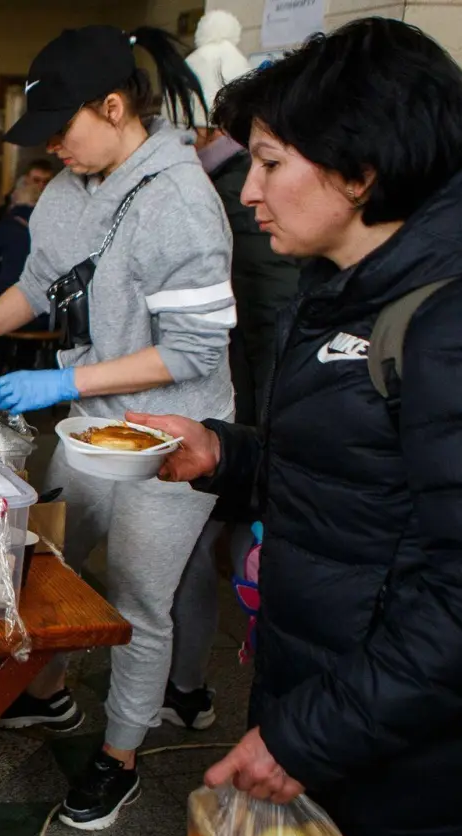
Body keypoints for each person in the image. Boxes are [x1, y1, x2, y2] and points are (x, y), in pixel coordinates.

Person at [135, 19, 462, 836]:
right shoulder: (352, 289)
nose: (249, 191)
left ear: (360, 173)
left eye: (271, 162)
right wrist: (225, 454)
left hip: (432, 780)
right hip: (355, 718)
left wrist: (307, 735)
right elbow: (361, 479)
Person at [0, 25, 231, 831]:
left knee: (139, 600)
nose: (52, 149)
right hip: (93, 426)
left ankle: (118, 758)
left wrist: (66, 377)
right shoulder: (71, 187)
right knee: (48, 566)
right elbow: (40, 286)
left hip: (173, 433)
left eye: (61, 130)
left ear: (114, 107)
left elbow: (189, 350)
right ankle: (45, 699)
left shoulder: (182, 200)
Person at [164, 16, 302, 730]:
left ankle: (191, 685)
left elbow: (264, 332)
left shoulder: (227, 200)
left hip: (244, 403)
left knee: (208, 555)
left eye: (272, 164)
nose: (257, 189)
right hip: (237, 419)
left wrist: (252, 447)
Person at [0, 160, 54, 383]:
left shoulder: (6, 225)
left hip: (8, 314)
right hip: (49, 316)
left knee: (1, 316)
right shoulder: (58, 226)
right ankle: (23, 377)